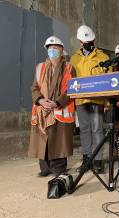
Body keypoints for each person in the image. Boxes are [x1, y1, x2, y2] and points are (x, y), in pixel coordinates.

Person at [28, 36, 75, 177]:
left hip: (60, 109)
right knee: (43, 140)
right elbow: (34, 87)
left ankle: (58, 169)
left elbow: (71, 89)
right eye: (49, 48)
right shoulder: (40, 67)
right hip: (42, 108)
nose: (52, 50)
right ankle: (45, 168)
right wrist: (41, 101)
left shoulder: (69, 67)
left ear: (61, 49)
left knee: (59, 140)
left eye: (55, 48)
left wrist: (57, 102)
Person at [71, 25, 110, 174]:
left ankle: (98, 160)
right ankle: (87, 159)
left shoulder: (103, 57)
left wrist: (107, 102)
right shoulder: (74, 58)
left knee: (97, 129)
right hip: (80, 100)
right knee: (84, 130)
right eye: (83, 41)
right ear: (80, 41)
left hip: (97, 99)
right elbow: (71, 79)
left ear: (93, 39)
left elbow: (108, 80)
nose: (86, 43)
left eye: (89, 40)